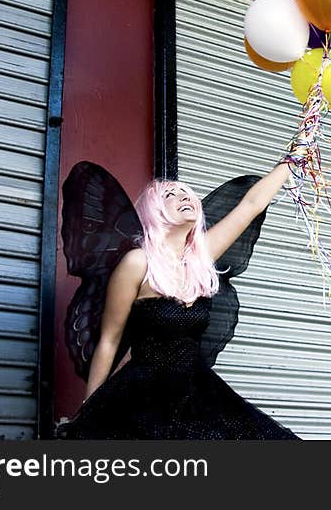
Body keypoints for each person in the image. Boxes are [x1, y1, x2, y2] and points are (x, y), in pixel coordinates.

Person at [56, 142, 304, 440]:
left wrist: (296, 152)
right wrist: (89, 411)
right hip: (144, 398)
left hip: (198, 394)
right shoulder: (138, 263)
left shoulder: (201, 258)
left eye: (185, 191)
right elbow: (109, 341)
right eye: (169, 195)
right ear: (155, 212)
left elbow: (251, 204)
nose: (182, 195)